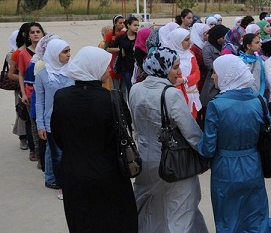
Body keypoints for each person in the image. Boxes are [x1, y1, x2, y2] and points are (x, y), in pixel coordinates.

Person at [51, 46, 138, 232]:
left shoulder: (61, 97)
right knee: (115, 221)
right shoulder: (111, 100)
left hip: (74, 173)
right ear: (95, 69)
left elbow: (57, 134)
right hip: (109, 173)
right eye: (105, 66)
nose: (107, 70)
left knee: (82, 221)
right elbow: (124, 135)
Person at [198, 54, 271, 233]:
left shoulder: (216, 105)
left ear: (226, 74)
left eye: (215, 72)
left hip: (225, 168)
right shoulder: (258, 101)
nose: (213, 76)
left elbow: (207, 148)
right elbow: (267, 132)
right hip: (253, 163)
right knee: (255, 215)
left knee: (227, 218)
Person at [129, 47, 208, 233]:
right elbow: (190, 132)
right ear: (161, 67)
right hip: (173, 161)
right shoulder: (171, 93)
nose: (179, 72)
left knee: (150, 208)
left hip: (145, 161)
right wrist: (206, 151)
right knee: (180, 210)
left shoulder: (135, 89)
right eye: (175, 67)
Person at [35, 39, 73, 200]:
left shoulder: (73, 71)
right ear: (53, 54)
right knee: (57, 155)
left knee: (71, 153)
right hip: (52, 122)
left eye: (69, 50)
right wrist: (40, 125)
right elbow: (39, 102)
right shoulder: (43, 75)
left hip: (72, 121)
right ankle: (61, 185)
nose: (69, 55)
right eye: (65, 52)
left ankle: (64, 180)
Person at [17, 22, 45, 162]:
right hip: (30, 92)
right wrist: (22, 93)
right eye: (32, 32)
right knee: (32, 122)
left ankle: (44, 151)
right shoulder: (23, 54)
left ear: (42, 34)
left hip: (45, 92)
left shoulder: (47, 51)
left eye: (38, 31)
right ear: (28, 36)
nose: (35, 34)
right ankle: (34, 150)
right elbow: (21, 75)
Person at [167, 27, 201, 119]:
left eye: (189, 39)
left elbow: (197, 74)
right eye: (186, 40)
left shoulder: (191, 54)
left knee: (193, 123)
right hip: (178, 94)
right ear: (178, 41)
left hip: (192, 93)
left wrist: (184, 80)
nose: (190, 42)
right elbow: (174, 80)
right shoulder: (169, 57)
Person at [7, 26, 28, 150]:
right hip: (20, 88)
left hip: (31, 87)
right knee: (21, 112)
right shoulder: (13, 54)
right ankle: (23, 138)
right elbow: (12, 74)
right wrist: (26, 80)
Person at [110, 16, 139, 96]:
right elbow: (109, 48)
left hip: (137, 68)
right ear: (129, 25)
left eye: (138, 25)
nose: (137, 27)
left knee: (137, 89)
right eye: (135, 25)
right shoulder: (121, 38)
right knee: (130, 88)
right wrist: (120, 49)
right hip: (126, 67)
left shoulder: (138, 37)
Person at [105, 14, 126, 97]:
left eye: (123, 23)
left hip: (124, 63)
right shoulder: (110, 35)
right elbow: (106, 48)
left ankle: (124, 105)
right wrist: (119, 50)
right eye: (120, 23)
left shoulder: (125, 33)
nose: (122, 25)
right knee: (116, 88)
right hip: (114, 63)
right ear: (115, 23)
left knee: (124, 89)